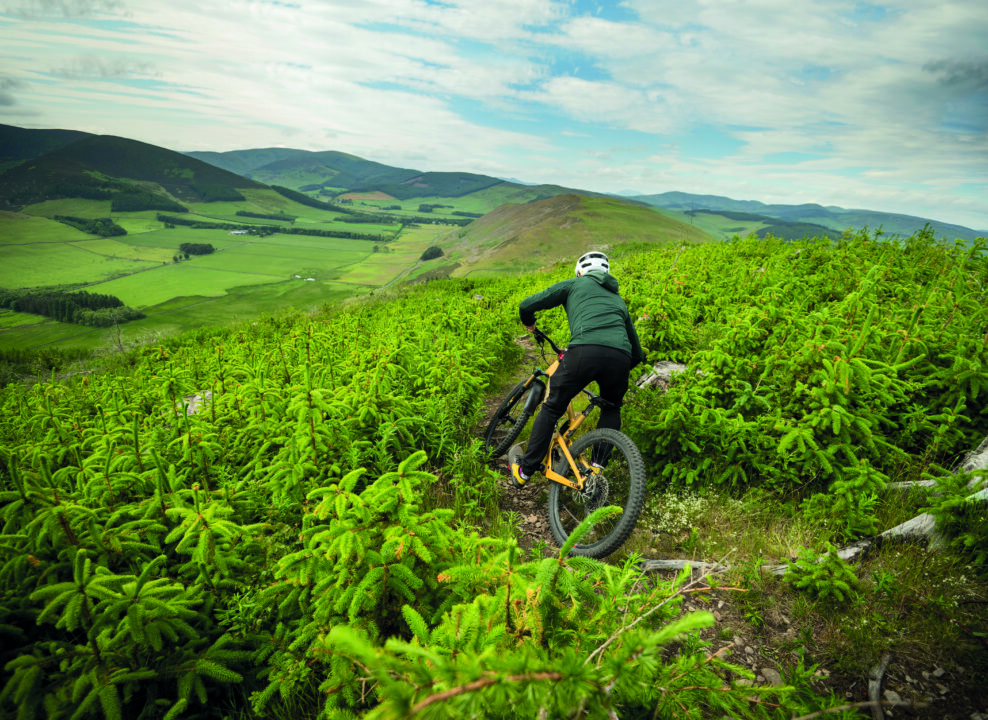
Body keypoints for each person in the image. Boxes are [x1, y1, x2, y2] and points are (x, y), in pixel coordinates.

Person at [508, 250, 646, 487]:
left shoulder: (574, 284)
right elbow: (637, 353)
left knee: (551, 408)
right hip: (620, 358)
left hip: (583, 350)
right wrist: (613, 369)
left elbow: (527, 305)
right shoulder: (618, 300)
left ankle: (525, 471)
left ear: (581, 272)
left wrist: (529, 322)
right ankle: (596, 470)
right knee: (611, 408)